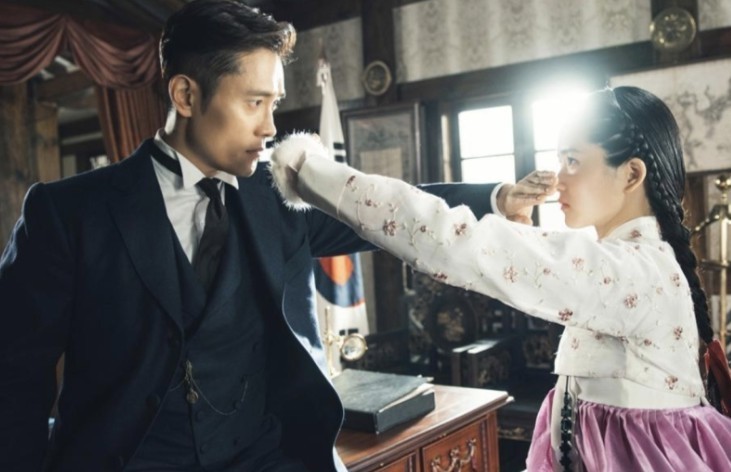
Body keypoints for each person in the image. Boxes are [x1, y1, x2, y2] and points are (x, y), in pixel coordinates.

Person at [0, 1, 550, 470]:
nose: (269, 128)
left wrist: (494, 198)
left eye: (274, 104)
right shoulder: (67, 213)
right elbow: (14, 379)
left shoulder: (279, 193)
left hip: (266, 457)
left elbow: (386, 210)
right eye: (253, 102)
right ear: (186, 95)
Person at [270, 86, 731, 471]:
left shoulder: (629, 271)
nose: (559, 179)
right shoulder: (631, 261)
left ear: (631, 174)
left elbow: (453, 241)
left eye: (573, 161)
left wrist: (310, 170)